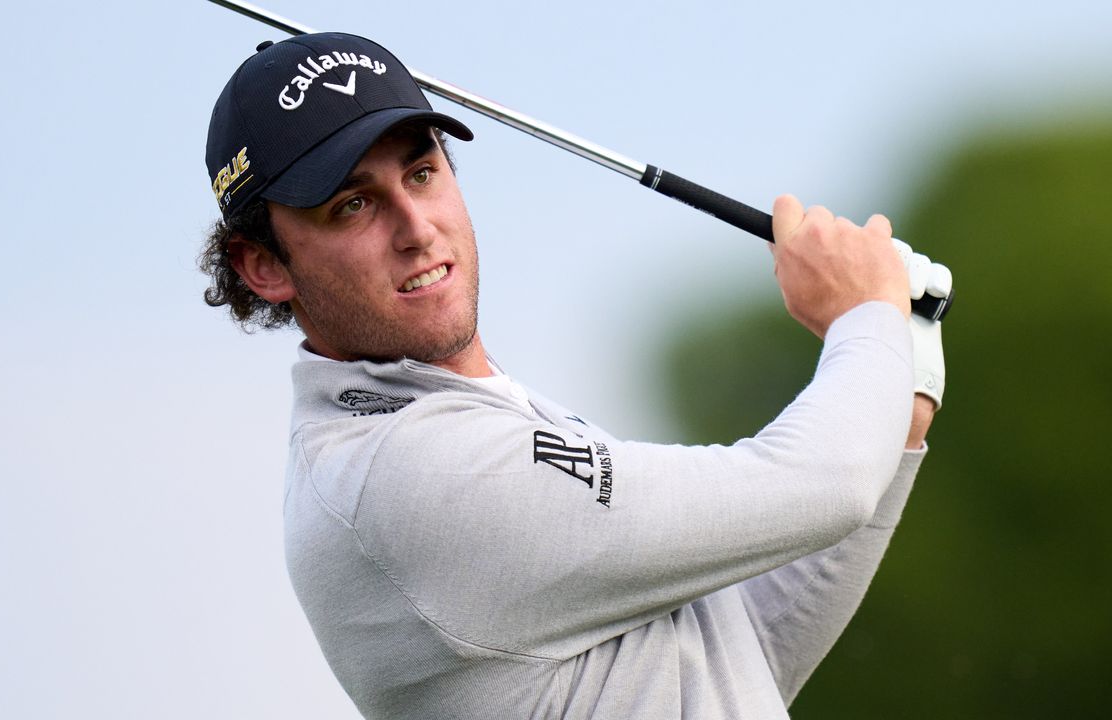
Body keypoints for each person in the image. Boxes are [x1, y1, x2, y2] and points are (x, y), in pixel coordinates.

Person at [199, 31, 947, 720]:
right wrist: (866, 316)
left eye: (422, 173)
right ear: (261, 264)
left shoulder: (469, 415)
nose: (416, 227)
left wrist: (896, 417)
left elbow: (737, 657)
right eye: (353, 205)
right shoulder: (402, 473)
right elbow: (820, 483)